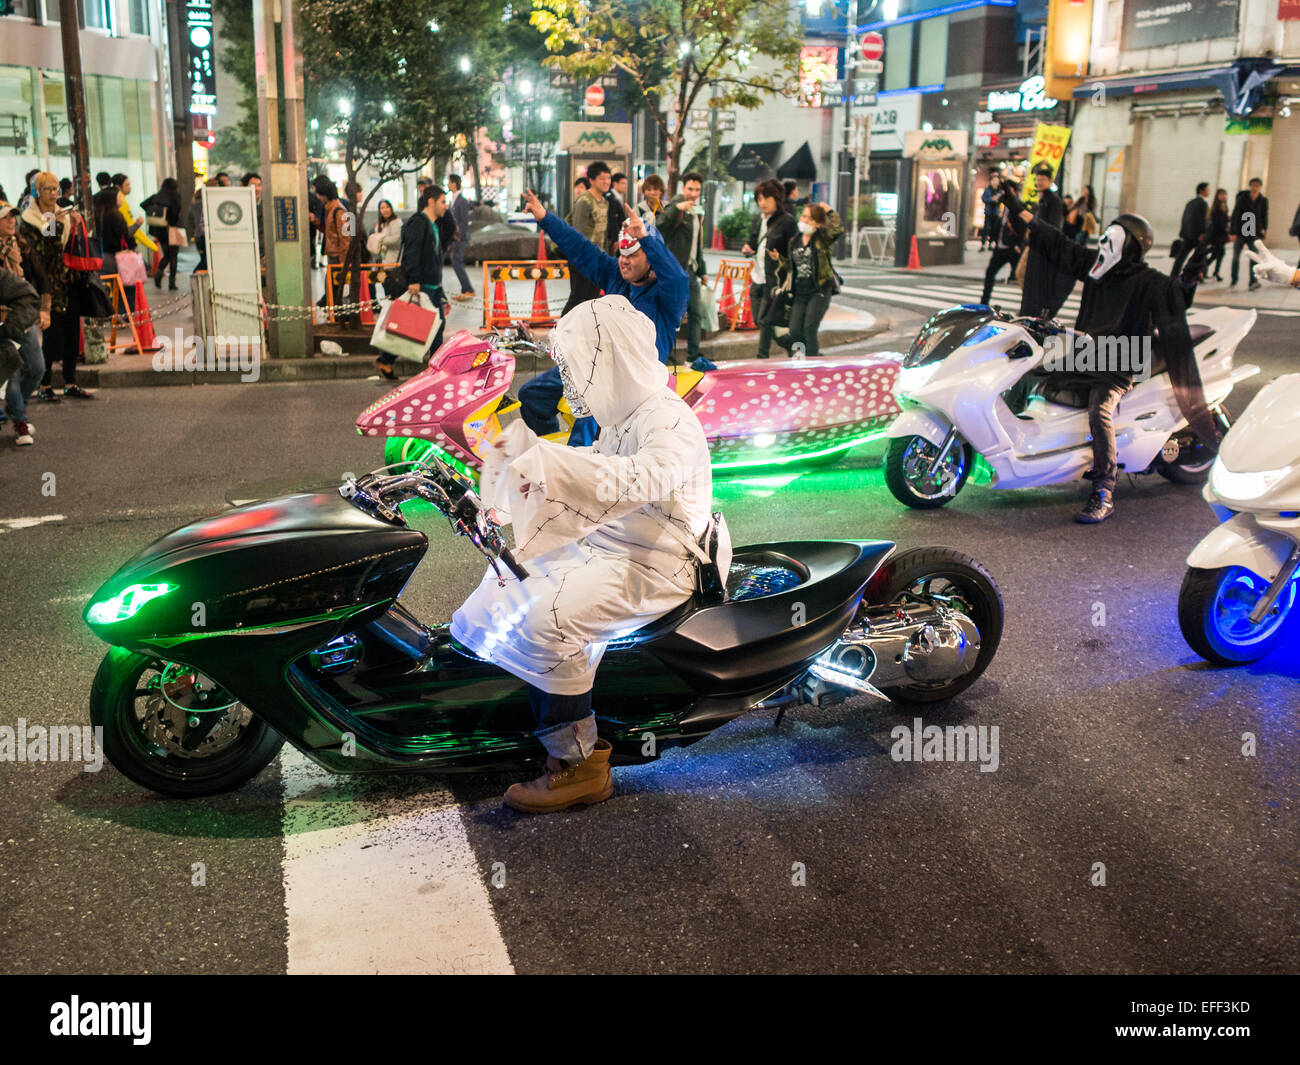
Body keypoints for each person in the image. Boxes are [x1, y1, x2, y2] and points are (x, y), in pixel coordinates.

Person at [451, 294, 713, 813]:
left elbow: (641, 476)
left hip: (658, 562)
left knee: (551, 614)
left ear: (608, 357)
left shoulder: (668, 419)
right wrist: (520, 471)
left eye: (575, 366)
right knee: (513, 578)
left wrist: (548, 464)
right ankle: (539, 711)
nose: (570, 381)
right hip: (622, 543)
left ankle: (577, 764)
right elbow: (598, 460)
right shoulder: (627, 412)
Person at [1002, 184, 1218, 524]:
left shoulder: (1148, 281)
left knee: (1099, 410)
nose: (1101, 244)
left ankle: (1104, 490)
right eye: (1102, 237)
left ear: (1129, 246)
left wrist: (1189, 281)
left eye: (1110, 239)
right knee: (1027, 368)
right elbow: (1058, 243)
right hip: (1088, 351)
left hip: (1121, 360)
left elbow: (1175, 297)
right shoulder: (1096, 267)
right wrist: (1017, 207)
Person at [516, 188, 688, 446]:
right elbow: (581, 248)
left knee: (587, 426)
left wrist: (646, 237)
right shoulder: (615, 275)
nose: (624, 261)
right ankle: (549, 450)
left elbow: (677, 277)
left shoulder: (668, 297)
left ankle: (579, 475)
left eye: (633, 254)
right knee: (530, 394)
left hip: (632, 384)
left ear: (652, 259)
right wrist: (544, 217)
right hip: (593, 368)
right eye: (622, 253)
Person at [20, 172, 93, 400]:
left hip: (68, 282)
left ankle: (70, 382)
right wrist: (57, 223)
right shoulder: (30, 220)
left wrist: (73, 224)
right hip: (44, 286)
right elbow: (47, 253)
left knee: (72, 333)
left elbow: (69, 249)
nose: (53, 194)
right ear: (37, 192)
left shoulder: (61, 215)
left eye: (56, 190)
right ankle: (45, 386)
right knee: (50, 336)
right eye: (48, 189)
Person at [373, 185, 452, 382]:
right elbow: (412, 253)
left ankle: (387, 360)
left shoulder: (434, 224)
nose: (446, 206)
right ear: (431, 202)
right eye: (443, 202)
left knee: (430, 326)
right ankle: (436, 369)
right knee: (426, 326)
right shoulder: (419, 223)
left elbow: (450, 232)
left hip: (433, 286)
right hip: (422, 285)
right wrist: (414, 280)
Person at [0, 200, 46, 444]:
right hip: (3, 322)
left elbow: (37, 276)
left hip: (23, 316)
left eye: (13, 217)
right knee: (12, 372)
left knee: (37, 368)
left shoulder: (19, 245)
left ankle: (17, 410)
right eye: (6, 217)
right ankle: (20, 423)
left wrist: (43, 308)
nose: (11, 221)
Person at [772, 201, 843, 360]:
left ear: (817, 224)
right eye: (804, 216)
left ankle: (812, 363)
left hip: (819, 291)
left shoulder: (822, 239)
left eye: (810, 219)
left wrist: (830, 211)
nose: (804, 221)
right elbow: (792, 266)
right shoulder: (794, 240)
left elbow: (838, 230)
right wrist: (780, 259)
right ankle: (804, 358)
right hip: (799, 292)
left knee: (809, 329)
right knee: (795, 330)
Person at [656, 171, 712, 370]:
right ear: (683, 188)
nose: (693, 193)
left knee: (696, 314)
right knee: (672, 315)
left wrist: (702, 269)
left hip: (691, 271)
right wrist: (676, 208)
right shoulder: (675, 206)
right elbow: (659, 224)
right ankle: (666, 358)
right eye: (690, 188)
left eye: (697, 189)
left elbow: (697, 244)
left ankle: (693, 356)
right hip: (674, 272)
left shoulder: (696, 211)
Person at [741, 178, 796, 359]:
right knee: (760, 320)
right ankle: (793, 346)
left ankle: (762, 357)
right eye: (759, 199)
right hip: (757, 277)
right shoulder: (758, 220)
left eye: (766, 198)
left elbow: (795, 253)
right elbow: (753, 241)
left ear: (777, 198)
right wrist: (748, 249)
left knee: (765, 322)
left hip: (774, 280)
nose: (762, 203)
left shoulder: (787, 222)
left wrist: (780, 258)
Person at [1019, 163, 1073, 319]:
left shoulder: (1054, 200)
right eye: (1037, 179)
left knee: (1029, 275)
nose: (1038, 182)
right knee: (1025, 275)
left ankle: (1036, 308)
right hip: (1035, 243)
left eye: (1042, 179)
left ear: (1050, 181)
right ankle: (1031, 306)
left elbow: (1054, 225)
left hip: (1043, 245)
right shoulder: (1042, 199)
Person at [564, 162, 612, 314]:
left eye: (608, 178)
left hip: (597, 257)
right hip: (582, 257)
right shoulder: (584, 201)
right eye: (602, 178)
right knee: (578, 297)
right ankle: (560, 332)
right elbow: (578, 233)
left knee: (593, 299)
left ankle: (587, 333)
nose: (606, 182)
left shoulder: (604, 202)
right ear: (591, 180)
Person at [980, 178, 1026, 305]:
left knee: (1022, 277)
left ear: (1014, 192)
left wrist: (1018, 244)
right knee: (990, 274)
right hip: (1000, 249)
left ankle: (1027, 306)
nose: (1005, 193)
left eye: (1008, 191)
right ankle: (984, 303)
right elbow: (998, 226)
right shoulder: (1003, 207)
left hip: (1012, 249)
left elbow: (1022, 227)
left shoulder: (1019, 207)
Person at [142, 177, 183, 290]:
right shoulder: (175, 196)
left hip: (159, 230)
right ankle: (171, 282)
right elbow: (176, 212)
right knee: (173, 256)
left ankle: (159, 274)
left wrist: (156, 213)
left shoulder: (157, 197)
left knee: (167, 254)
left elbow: (143, 204)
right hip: (172, 228)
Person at [315, 177, 349, 313]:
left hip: (338, 257)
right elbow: (330, 232)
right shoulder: (331, 209)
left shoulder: (340, 211)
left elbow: (347, 239)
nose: (317, 197)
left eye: (318, 193)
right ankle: (335, 315)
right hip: (333, 255)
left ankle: (338, 316)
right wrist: (316, 222)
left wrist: (344, 263)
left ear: (324, 194)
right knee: (331, 288)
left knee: (335, 289)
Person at [1229, 178, 1269, 289]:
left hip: (1254, 233)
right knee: (1236, 257)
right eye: (1253, 185)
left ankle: (1253, 281)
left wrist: (1264, 230)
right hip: (1241, 232)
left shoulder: (1263, 200)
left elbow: (1264, 216)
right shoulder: (1242, 198)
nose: (1255, 188)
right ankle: (1234, 279)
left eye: (1257, 186)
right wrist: (1232, 232)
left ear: (1260, 187)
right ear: (1250, 186)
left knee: (1254, 258)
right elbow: (1235, 214)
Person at [112, 173, 159, 262]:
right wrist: (153, 246)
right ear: (118, 187)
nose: (130, 187)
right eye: (127, 185)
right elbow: (133, 229)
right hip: (125, 248)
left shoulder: (118, 201)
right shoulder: (121, 203)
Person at [1170, 182, 1210, 280]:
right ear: (1202, 191)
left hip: (1187, 234)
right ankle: (1199, 274)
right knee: (1201, 255)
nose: (1209, 192)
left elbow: (1184, 218)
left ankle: (1174, 275)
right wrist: (1203, 233)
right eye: (1207, 190)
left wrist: (1182, 232)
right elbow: (1202, 220)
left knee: (1181, 257)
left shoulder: (1190, 202)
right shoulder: (1203, 203)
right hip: (1197, 235)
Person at [445, 174, 475, 302]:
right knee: (456, 262)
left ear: (454, 183)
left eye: (449, 182)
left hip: (460, 237)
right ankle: (464, 290)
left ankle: (468, 289)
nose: (448, 185)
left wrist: (459, 236)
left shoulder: (461, 200)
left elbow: (464, 220)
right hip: (455, 237)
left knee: (457, 262)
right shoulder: (454, 199)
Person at [1205, 188, 1229, 281]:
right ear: (1217, 196)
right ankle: (1203, 270)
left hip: (1221, 235)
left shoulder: (1224, 206)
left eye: (1224, 194)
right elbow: (1217, 222)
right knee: (1218, 253)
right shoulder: (1216, 207)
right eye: (1221, 194)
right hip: (1216, 235)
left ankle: (1214, 271)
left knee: (1218, 253)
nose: (1223, 196)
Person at [980, 171, 1002, 250]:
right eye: (994, 180)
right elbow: (983, 198)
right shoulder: (988, 189)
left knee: (994, 229)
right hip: (988, 211)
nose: (995, 182)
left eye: (997, 181)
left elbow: (1002, 200)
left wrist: (998, 199)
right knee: (985, 228)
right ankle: (983, 244)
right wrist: (991, 199)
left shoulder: (1000, 191)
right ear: (991, 181)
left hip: (996, 212)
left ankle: (991, 244)